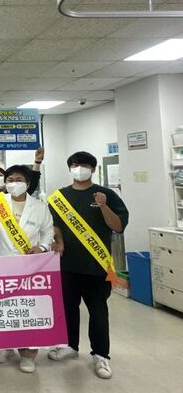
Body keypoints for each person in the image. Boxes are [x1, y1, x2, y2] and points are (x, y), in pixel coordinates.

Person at [46, 151, 129, 380]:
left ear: (92, 169)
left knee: (98, 311)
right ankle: (70, 346)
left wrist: (103, 206)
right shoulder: (59, 197)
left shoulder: (106, 194)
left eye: (83, 165)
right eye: (74, 165)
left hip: (97, 266)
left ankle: (101, 355)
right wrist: (59, 241)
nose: (78, 169)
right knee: (68, 308)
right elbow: (54, 225)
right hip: (67, 264)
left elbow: (118, 226)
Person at [0, 165, 54, 373]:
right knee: (4, 308)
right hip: (2, 263)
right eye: (10, 180)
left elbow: (48, 232)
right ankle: (6, 347)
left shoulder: (39, 207)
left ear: (28, 183)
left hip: (29, 266)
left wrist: (42, 247)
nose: (14, 183)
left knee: (27, 309)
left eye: (19, 179)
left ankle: (28, 353)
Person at [0, 147, 44, 254]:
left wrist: (37, 162)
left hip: (21, 243)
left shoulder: (18, 194)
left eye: (1, 175)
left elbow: (33, 183)